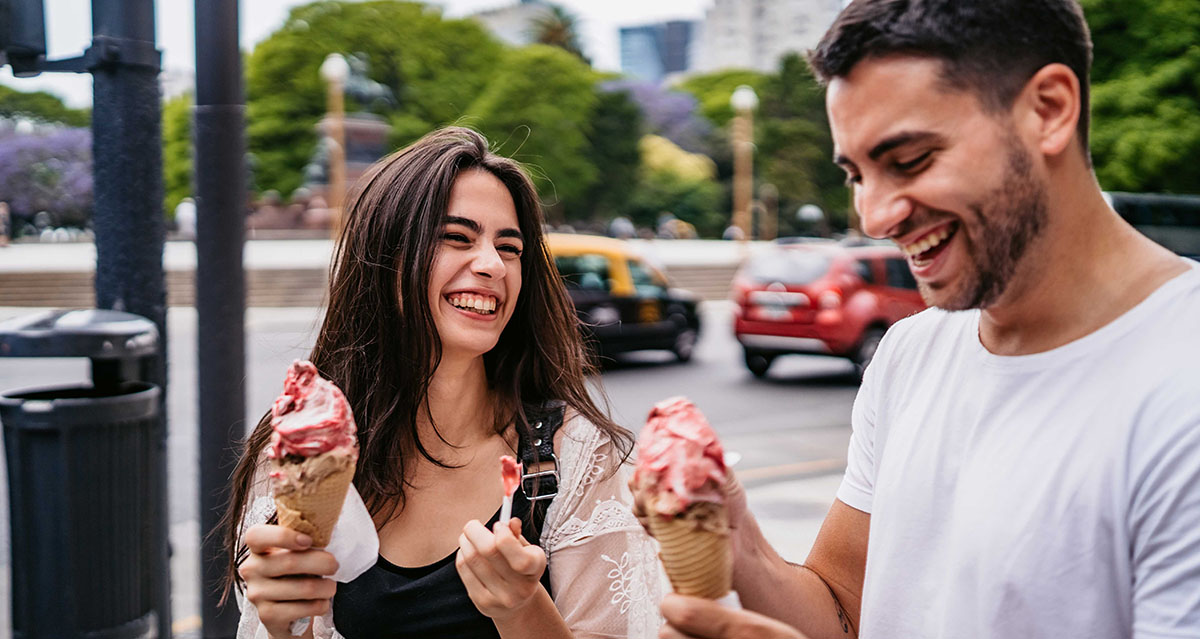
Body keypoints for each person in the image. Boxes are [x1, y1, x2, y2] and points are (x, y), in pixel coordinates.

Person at [652, 1, 1200, 638]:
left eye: (909, 160)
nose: (875, 217)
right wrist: (738, 540)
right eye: (856, 174)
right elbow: (845, 610)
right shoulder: (911, 349)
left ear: (1048, 109)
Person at [224, 127, 664, 639]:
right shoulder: (302, 452)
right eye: (456, 238)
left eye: (509, 247)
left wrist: (522, 608)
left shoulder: (580, 460)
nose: (491, 265)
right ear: (384, 259)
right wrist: (281, 627)